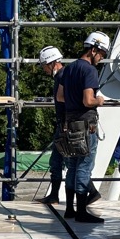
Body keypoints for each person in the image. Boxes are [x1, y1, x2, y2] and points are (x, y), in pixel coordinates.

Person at [56, 31, 110, 223]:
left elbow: (60, 97)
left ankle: (69, 209)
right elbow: (88, 101)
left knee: (72, 165)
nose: (101, 58)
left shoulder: (68, 69)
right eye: (101, 54)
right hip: (86, 125)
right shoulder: (89, 71)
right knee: (84, 166)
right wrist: (99, 100)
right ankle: (81, 212)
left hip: (70, 123)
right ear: (93, 49)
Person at [37, 45, 65, 204]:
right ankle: (54, 195)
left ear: (52, 63)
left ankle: (91, 192)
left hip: (66, 126)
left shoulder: (63, 76)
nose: (44, 70)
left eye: (44, 66)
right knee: (58, 162)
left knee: (61, 162)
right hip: (64, 124)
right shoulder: (61, 76)